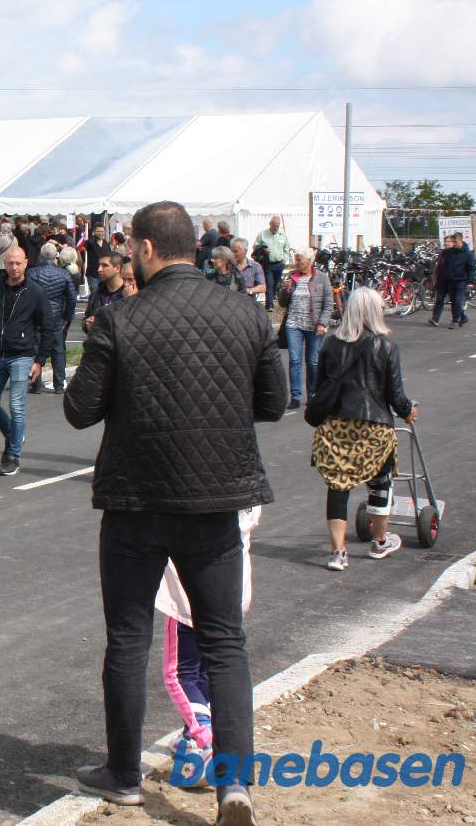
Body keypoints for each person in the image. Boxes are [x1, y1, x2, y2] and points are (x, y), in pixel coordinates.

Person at [63, 200, 286, 821]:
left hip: (136, 503)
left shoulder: (118, 320)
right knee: (224, 643)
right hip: (216, 501)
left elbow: (80, 409)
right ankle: (234, 785)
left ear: (147, 249)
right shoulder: (246, 313)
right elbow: (275, 401)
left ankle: (124, 774)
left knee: (128, 640)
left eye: (131, 246)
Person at [313, 288, 419, 571]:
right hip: (375, 426)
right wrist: (409, 411)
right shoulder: (386, 347)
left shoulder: (331, 345)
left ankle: (338, 553)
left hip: (337, 425)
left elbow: (319, 388)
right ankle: (380, 541)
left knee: (338, 485)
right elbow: (396, 395)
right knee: (380, 480)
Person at [160, 506, 262, 782]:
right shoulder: (247, 501)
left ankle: (205, 740)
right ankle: (191, 737)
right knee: (209, 669)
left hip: (189, 596)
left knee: (180, 675)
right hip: (232, 592)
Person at [0, 246, 51, 476]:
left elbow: (48, 327)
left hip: (22, 356)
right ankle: (13, 433)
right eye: (10, 263)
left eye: (18, 263)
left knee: (17, 406)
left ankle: (13, 456)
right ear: (4, 264)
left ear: (26, 263)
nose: (14, 268)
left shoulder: (35, 292)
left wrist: (40, 361)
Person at [278, 248, 332, 410]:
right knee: (295, 360)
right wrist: (285, 291)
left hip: (314, 325)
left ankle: (313, 394)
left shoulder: (321, 278)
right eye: (296, 260)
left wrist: (322, 322)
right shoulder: (292, 277)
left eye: (299, 260)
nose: (296, 263)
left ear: (309, 261)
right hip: (294, 324)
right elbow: (282, 303)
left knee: (313, 362)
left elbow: (328, 304)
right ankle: (295, 396)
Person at [29, 242, 77, 394]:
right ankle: (59, 385)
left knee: (36, 349)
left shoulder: (32, 273)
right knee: (58, 350)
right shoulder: (64, 274)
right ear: (56, 256)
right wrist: (67, 317)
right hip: (56, 317)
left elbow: (26, 295)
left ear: (42, 255)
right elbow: (72, 298)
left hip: (37, 316)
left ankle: (36, 384)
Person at [429, 232, 475, 328]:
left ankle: (455, 320)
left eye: (453, 241)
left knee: (457, 301)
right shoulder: (448, 252)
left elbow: (471, 268)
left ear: (459, 241)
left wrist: (470, 281)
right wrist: (439, 278)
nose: (451, 243)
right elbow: (443, 266)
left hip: (460, 281)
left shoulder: (468, 254)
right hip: (448, 280)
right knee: (451, 301)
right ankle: (459, 318)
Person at [82, 252, 127, 332]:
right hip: (99, 342)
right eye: (99, 265)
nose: (99, 269)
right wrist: (87, 325)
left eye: (105, 265)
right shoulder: (96, 293)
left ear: (117, 268)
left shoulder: (128, 293)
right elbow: (87, 317)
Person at [253, 217, 289, 313]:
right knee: (269, 284)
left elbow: (286, 249)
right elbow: (255, 246)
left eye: (278, 225)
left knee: (275, 284)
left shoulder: (282, 235)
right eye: (274, 225)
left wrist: (284, 260)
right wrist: (263, 249)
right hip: (267, 264)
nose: (276, 227)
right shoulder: (262, 234)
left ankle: (271, 299)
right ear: (270, 224)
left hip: (279, 263)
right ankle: (269, 305)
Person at [229, 239, 266, 303]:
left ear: (245, 251)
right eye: (231, 251)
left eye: (236, 251)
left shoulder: (255, 266)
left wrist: (248, 290)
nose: (233, 254)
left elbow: (262, 287)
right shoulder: (227, 265)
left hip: (248, 303)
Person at [82, 222, 113, 295]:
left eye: (102, 231)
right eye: (98, 231)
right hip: (93, 275)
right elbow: (86, 242)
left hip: (104, 275)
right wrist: (92, 235)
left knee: (104, 295)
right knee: (95, 296)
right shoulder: (90, 243)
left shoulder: (106, 244)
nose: (101, 233)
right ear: (94, 232)